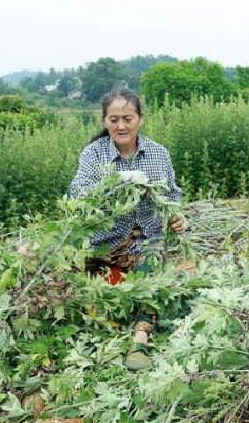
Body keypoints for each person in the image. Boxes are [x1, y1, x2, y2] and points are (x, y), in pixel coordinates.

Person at [69, 88, 184, 370]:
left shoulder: (158, 154)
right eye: (114, 119)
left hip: (145, 240)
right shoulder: (93, 155)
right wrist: (115, 184)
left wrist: (176, 216)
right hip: (104, 243)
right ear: (105, 120)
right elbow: (77, 195)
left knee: (153, 273)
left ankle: (140, 341)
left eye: (128, 118)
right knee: (93, 297)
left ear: (140, 119)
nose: (121, 125)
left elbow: (173, 196)